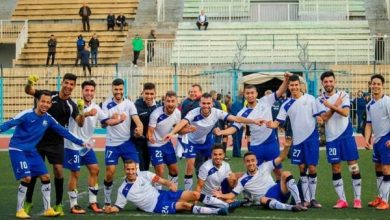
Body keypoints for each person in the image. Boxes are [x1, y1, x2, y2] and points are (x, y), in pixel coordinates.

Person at [1, 90, 88, 219]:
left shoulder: (48, 118)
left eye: (48, 102)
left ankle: (48, 209)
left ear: (50, 105)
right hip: (18, 149)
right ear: (37, 101)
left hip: (32, 151)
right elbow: (8, 124)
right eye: (43, 101)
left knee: (46, 176)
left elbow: (63, 131)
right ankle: (20, 210)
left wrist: (80, 142)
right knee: (27, 178)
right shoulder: (26, 114)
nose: (45, 105)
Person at [164, 93, 263, 191]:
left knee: (216, 163)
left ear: (212, 104)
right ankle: (187, 193)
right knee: (190, 166)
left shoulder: (217, 112)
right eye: (204, 103)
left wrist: (254, 121)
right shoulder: (193, 113)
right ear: (200, 104)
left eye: (208, 103)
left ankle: (219, 188)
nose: (206, 106)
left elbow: (236, 118)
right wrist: (172, 133)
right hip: (192, 143)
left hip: (207, 142)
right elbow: (182, 123)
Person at [24, 73, 84, 216]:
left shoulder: (72, 105)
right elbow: (29, 90)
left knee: (58, 170)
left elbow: (80, 123)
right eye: (66, 83)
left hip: (56, 142)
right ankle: (28, 202)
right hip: (39, 139)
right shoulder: (49, 96)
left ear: (74, 87)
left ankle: (58, 204)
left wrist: (82, 112)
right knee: (33, 172)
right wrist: (29, 82)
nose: (68, 86)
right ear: (62, 83)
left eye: (71, 84)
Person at [214, 73, 291, 181]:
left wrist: (287, 80)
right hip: (256, 147)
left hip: (271, 144)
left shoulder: (266, 100)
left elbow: (280, 91)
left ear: (256, 94)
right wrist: (222, 132)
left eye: (252, 93)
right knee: (255, 175)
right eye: (247, 93)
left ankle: (280, 196)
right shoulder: (242, 113)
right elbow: (234, 128)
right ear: (244, 94)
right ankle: (258, 196)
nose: (250, 95)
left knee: (278, 172)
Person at [64, 80, 125, 214]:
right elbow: (79, 122)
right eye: (87, 90)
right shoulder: (74, 105)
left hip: (86, 145)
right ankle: (73, 205)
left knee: (95, 169)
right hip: (73, 145)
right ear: (82, 91)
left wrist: (120, 120)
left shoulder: (96, 108)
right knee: (75, 173)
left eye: (92, 91)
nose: (89, 93)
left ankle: (93, 202)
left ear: (94, 92)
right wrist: (85, 113)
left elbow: (107, 121)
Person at [266, 74, 322, 208]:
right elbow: (277, 122)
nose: (294, 87)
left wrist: (320, 118)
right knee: (302, 168)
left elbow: (319, 117)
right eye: (291, 85)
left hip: (311, 139)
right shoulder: (286, 104)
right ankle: (307, 200)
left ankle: (313, 198)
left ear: (300, 85)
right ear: (289, 87)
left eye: (296, 85)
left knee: (312, 168)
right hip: (297, 141)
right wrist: (269, 124)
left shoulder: (310, 99)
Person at [104, 160, 237, 215]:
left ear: (136, 169)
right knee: (185, 205)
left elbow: (160, 180)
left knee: (195, 195)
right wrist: (110, 209)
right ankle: (217, 211)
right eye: (128, 169)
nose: (131, 171)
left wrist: (170, 184)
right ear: (124, 170)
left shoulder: (144, 174)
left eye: (133, 169)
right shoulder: (123, 189)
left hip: (162, 195)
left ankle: (225, 205)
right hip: (155, 207)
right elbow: (118, 207)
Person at [213, 137, 307, 212]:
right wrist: (220, 195)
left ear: (256, 161)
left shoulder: (265, 166)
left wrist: (286, 146)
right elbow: (231, 195)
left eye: (253, 160)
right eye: (248, 161)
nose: (251, 163)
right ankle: (291, 207)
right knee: (263, 199)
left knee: (286, 173)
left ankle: (299, 202)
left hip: (279, 191)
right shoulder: (243, 180)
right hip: (267, 199)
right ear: (245, 163)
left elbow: (281, 158)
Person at [315, 71, 362, 209]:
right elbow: (323, 118)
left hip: (346, 136)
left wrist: (330, 106)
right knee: (335, 168)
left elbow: (346, 113)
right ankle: (342, 200)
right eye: (326, 82)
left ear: (334, 82)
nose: (328, 84)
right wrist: (335, 106)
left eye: (331, 81)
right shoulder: (319, 100)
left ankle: (357, 200)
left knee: (353, 166)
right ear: (322, 83)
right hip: (331, 138)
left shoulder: (343, 95)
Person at [101, 78, 144, 209]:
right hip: (112, 144)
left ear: (123, 89)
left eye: (120, 89)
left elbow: (138, 121)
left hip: (127, 143)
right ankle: (107, 201)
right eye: (116, 89)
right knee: (110, 172)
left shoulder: (129, 104)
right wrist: (112, 119)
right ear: (112, 89)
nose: (118, 92)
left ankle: (139, 201)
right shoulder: (106, 104)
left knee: (136, 171)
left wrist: (139, 129)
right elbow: (103, 125)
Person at [364, 74, 390, 210]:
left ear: (382, 85)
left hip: (387, 139)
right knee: (378, 168)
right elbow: (369, 124)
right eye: (373, 83)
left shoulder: (387, 101)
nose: (375, 86)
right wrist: (367, 140)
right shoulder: (369, 105)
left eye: (378, 84)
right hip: (377, 141)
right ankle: (380, 197)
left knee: (386, 169)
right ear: (370, 85)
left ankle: (385, 201)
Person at [147, 91, 180, 189]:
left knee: (174, 171)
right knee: (160, 171)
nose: (170, 103)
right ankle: (156, 195)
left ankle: (172, 192)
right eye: (168, 101)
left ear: (177, 102)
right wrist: (150, 137)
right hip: (155, 145)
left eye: (173, 101)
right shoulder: (156, 114)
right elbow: (150, 131)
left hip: (166, 143)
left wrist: (188, 129)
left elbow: (176, 128)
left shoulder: (178, 113)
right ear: (164, 102)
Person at [132, 83, 159, 171]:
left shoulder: (158, 107)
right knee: (140, 166)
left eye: (151, 94)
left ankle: (144, 184)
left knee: (146, 166)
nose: (149, 96)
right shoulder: (136, 105)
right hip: (137, 141)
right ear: (142, 93)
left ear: (155, 94)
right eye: (146, 93)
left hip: (150, 141)